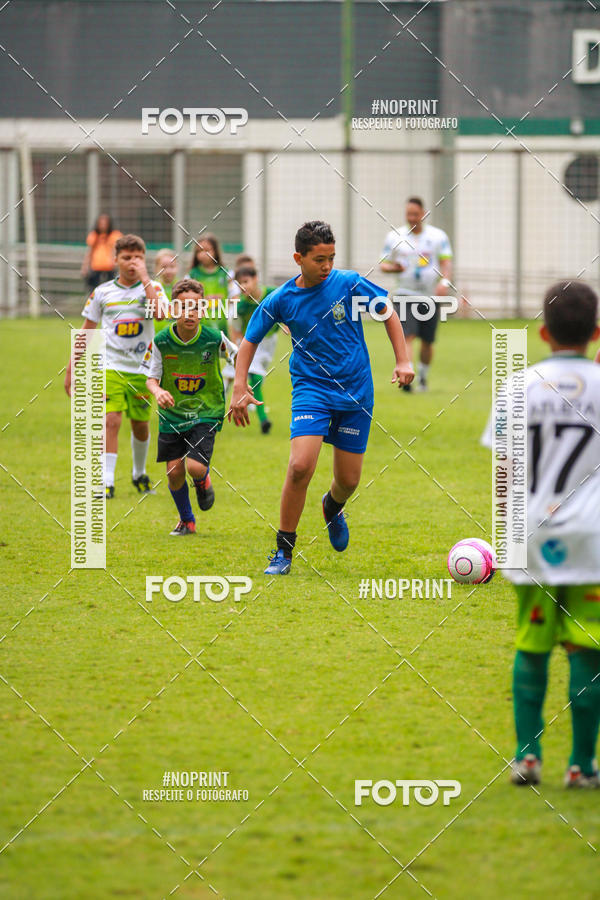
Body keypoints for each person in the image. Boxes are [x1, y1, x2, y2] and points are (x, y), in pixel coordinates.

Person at [228, 220, 414, 575]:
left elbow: (387, 311)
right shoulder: (282, 299)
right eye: (318, 259)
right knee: (300, 467)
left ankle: (332, 506)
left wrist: (403, 359)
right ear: (298, 258)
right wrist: (240, 385)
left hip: (356, 391)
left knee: (349, 481)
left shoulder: (348, 283)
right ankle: (283, 550)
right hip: (312, 390)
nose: (326, 266)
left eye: (330, 258)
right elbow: (249, 339)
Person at [482, 280, 600, 789]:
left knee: (531, 642)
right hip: (591, 539)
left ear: (544, 333)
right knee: (587, 649)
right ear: (596, 332)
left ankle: (526, 758)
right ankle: (581, 766)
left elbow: (505, 465)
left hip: (531, 533)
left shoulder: (517, 385)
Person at [65, 234, 167, 498]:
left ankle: (139, 473)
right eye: (127, 257)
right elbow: (87, 331)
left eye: (138, 257)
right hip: (110, 367)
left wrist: (146, 279)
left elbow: (161, 314)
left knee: (140, 425)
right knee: (110, 420)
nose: (133, 262)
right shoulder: (102, 292)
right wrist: (71, 368)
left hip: (143, 371)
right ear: (115, 260)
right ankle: (106, 481)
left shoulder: (153, 287)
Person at [142, 278, 237, 535]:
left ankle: (202, 479)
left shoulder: (213, 338)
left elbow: (239, 357)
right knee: (174, 471)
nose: (189, 314)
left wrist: (242, 387)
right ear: (173, 310)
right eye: (183, 308)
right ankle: (187, 520)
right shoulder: (162, 341)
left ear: (204, 310)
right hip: (173, 414)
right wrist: (158, 390)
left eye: (195, 308)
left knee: (194, 466)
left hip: (206, 409)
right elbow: (151, 379)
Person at [380, 197, 452, 392]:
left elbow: (446, 263)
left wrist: (444, 282)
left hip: (430, 296)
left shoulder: (438, 237)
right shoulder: (395, 236)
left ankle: (422, 377)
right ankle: (407, 377)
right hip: (405, 294)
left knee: (427, 342)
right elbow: (383, 264)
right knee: (408, 336)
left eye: (415, 214)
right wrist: (394, 268)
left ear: (424, 214)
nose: (411, 218)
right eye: (408, 214)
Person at [230, 264, 282, 434]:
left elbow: (288, 308)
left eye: (246, 281)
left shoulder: (273, 293)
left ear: (256, 279)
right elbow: (235, 327)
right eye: (239, 284)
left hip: (270, 342)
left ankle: (247, 405)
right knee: (255, 378)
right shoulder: (241, 307)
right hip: (251, 344)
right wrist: (236, 345)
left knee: (256, 378)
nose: (243, 287)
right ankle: (263, 419)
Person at [188, 234, 231, 334]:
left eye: (207, 250)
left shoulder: (226, 274)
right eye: (199, 251)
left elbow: (235, 297)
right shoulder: (192, 275)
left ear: (215, 251)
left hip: (223, 325)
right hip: (201, 326)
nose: (203, 254)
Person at [81, 214, 122, 291]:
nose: (103, 225)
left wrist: (117, 264)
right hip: (96, 267)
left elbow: (117, 251)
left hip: (110, 268)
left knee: (111, 290)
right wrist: (85, 267)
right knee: (94, 290)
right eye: (101, 223)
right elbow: (89, 252)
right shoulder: (94, 235)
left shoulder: (115, 235)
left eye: (105, 223)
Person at [153, 248, 178, 335]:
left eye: (172, 266)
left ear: (177, 267)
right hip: (156, 336)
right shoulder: (152, 288)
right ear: (156, 268)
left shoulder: (182, 287)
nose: (168, 271)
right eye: (164, 267)